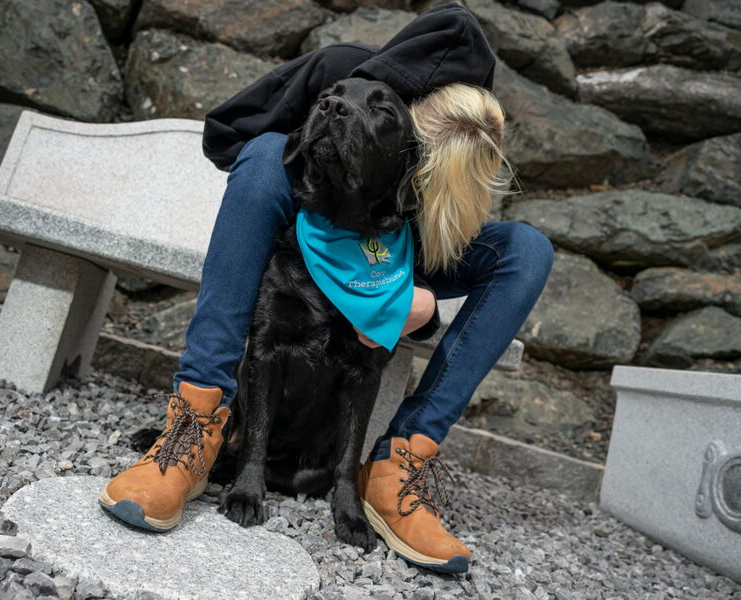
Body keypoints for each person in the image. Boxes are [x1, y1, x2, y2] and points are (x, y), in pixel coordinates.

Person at [99, 2, 554, 574]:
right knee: (266, 154)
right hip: (317, 221)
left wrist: (418, 298)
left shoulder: (468, 129)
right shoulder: (339, 74)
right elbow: (225, 137)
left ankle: (397, 467)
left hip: (401, 247)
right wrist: (314, 147)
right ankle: (197, 422)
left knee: (527, 249)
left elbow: (445, 226)